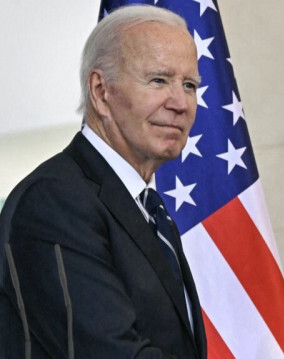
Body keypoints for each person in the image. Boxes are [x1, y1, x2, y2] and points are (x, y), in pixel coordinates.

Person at [0, 5, 207, 358]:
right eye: (159, 80)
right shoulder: (54, 202)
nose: (180, 102)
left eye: (189, 85)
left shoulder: (149, 210)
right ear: (100, 91)